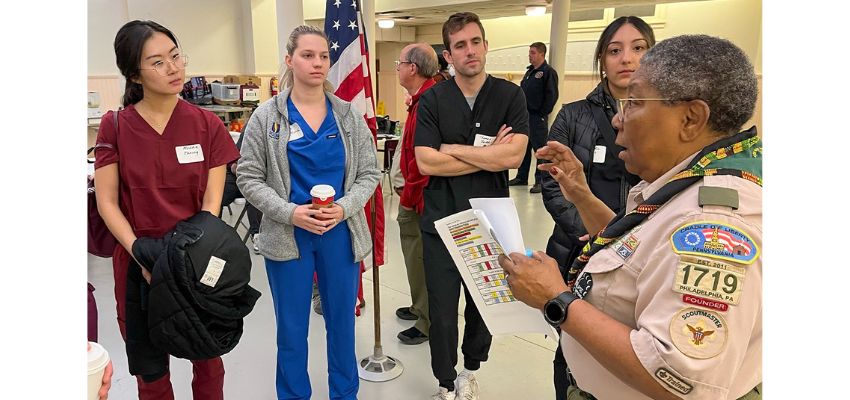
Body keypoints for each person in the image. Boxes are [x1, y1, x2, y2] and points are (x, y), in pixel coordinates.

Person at [500, 34, 762, 400]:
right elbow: (636, 252)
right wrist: (580, 193)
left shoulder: (715, 226)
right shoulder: (687, 186)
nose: (618, 119)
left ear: (691, 119)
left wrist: (555, 298)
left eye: (635, 102)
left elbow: (680, 380)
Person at [94, 20, 239, 399]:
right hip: (136, 261)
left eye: (175, 56)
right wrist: (140, 252)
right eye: (157, 62)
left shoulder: (207, 124)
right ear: (133, 74)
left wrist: (188, 260)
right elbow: (107, 201)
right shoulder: (115, 126)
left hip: (196, 262)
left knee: (209, 360)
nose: (174, 68)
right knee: (151, 372)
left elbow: (212, 205)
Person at [236, 25, 379, 400]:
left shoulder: (348, 116)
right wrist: (290, 213)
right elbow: (248, 176)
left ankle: (344, 394)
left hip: (340, 234)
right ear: (289, 60)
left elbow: (369, 173)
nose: (317, 63)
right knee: (292, 330)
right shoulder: (266, 118)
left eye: (323, 56)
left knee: (342, 327)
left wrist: (345, 208)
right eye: (307, 55)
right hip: (289, 237)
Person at [415, 12, 529, 400]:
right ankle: (445, 382)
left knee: (483, 304)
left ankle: (469, 370)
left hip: (489, 220)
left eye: (475, 42)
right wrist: (489, 152)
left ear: (485, 45)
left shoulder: (509, 95)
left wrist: (455, 149)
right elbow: (426, 161)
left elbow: (514, 157)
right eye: (460, 45)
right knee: (443, 309)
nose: (470, 51)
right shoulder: (433, 99)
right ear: (448, 54)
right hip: (442, 221)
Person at [540, 16, 655, 399]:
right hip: (578, 247)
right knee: (571, 341)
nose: (627, 59)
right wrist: (595, 237)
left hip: (643, 255)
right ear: (602, 59)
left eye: (639, 48)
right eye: (615, 50)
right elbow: (554, 184)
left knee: (628, 346)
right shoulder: (574, 115)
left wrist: (623, 241)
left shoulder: (664, 121)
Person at [393, 42, 439, 346]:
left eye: (399, 63)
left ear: (412, 68)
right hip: (412, 194)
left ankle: (426, 321)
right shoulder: (420, 100)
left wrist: (410, 191)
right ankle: (418, 306)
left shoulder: (430, 103)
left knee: (421, 259)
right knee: (413, 257)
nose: (397, 67)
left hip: (420, 199)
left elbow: (427, 159)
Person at [510, 41, 559, 193]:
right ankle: (521, 177)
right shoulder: (530, 72)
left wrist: (542, 113)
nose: (529, 56)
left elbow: (551, 95)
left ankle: (541, 180)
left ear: (542, 54)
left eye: (532, 53)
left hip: (537, 116)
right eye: (529, 53)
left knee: (540, 149)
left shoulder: (547, 72)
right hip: (525, 116)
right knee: (525, 147)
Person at [220, 129, 263, 253]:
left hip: (258, 177)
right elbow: (235, 154)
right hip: (238, 173)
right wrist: (234, 165)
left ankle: (257, 234)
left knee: (254, 191)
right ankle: (212, 232)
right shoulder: (251, 125)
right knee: (217, 192)